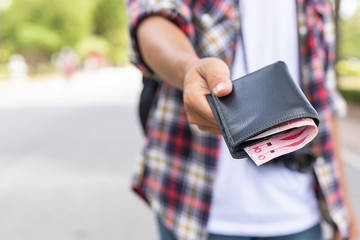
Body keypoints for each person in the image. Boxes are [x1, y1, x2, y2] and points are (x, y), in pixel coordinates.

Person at [127, 0, 358, 239]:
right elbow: (153, 16)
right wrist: (188, 69)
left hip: (300, 214)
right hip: (193, 204)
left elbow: (325, 102)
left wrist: (343, 208)